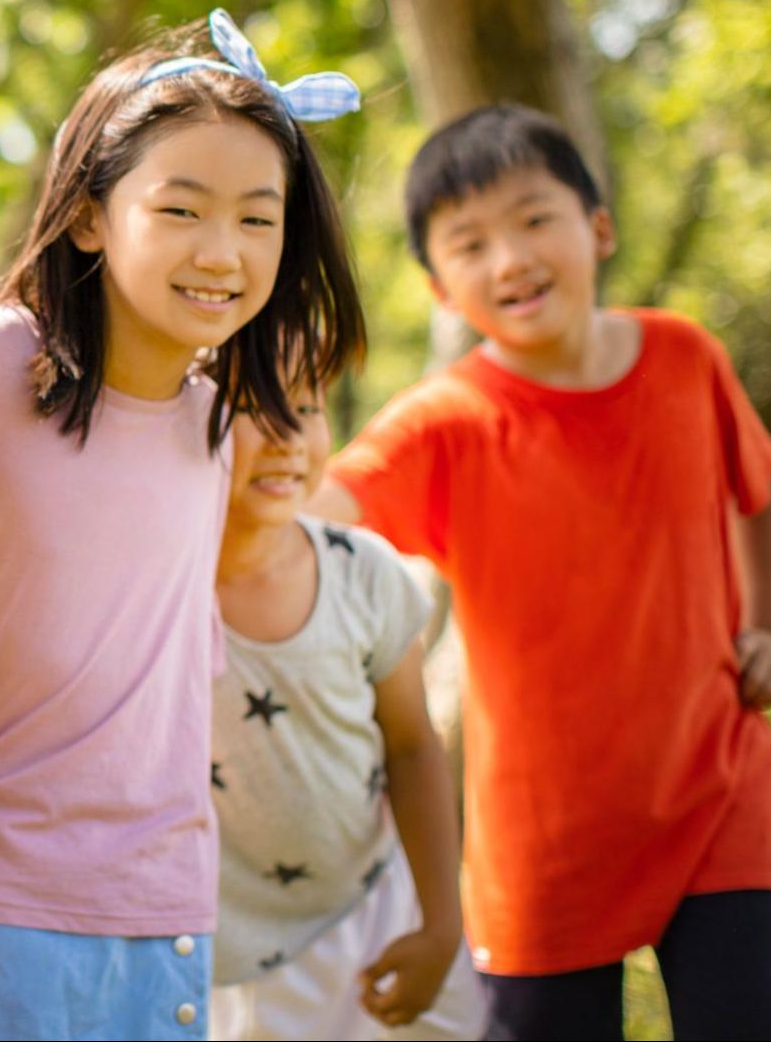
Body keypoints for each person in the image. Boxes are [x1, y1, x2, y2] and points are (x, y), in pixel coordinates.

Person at [0, 10, 367, 1040]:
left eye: (256, 217)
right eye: (180, 209)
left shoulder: (216, 425)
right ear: (91, 215)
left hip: (168, 917)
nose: (221, 252)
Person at [314, 103, 771, 1040]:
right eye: (469, 243)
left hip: (721, 789)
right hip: (545, 844)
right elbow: (317, 511)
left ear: (596, 227)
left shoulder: (685, 357)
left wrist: (764, 621)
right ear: (440, 288)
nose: (509, 258)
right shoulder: (441, 420)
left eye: (533, 219)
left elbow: (756, 494)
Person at [207, 372, 486, 1040]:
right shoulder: (152, 588)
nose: (287, 438)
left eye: (304, 407)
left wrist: (441, 922)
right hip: (229, 953)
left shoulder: (364, 572)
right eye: (252, 410)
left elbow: (412, 744)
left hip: (378, 911)